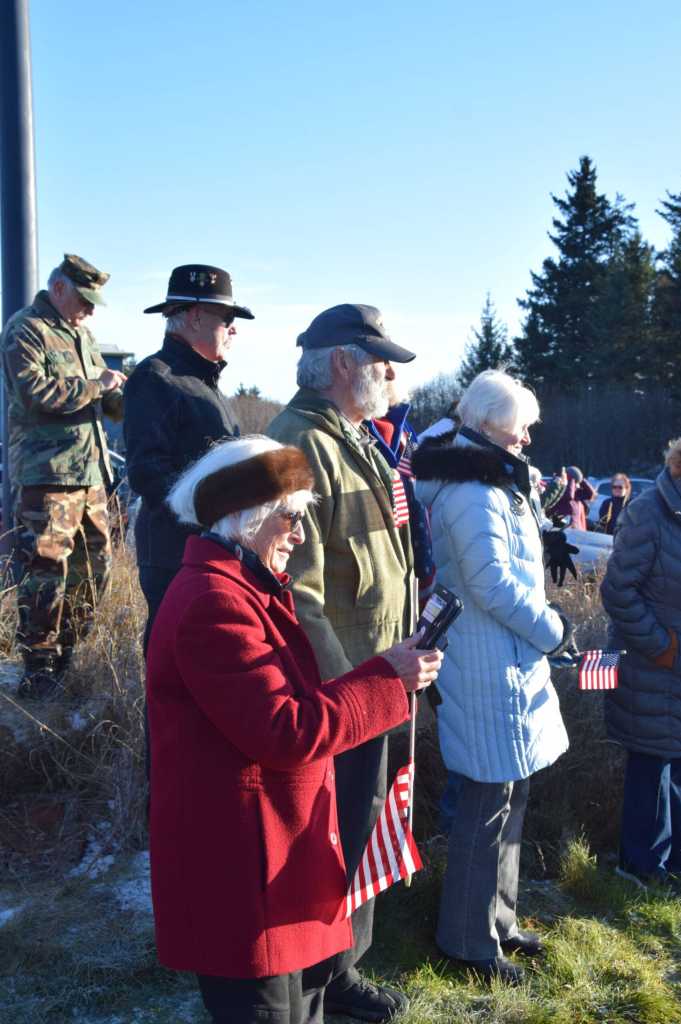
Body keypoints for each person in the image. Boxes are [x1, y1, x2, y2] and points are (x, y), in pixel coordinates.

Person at [146, 435, 443, 1024]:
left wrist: (384, 674)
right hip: (241, 874)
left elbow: (291, 702)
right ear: (244, 518)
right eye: (291, 517)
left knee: (301, 1006)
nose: (301, 535)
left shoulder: (241, 588)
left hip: (272, 859)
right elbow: (286, 730)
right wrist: (388, 680)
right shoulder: (214, 603)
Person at [267, 304, 417, 1022]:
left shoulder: (352, 438)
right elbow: (297, 593)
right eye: (380, 358)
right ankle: (323, 979)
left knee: (358, 836)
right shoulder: (297, 443)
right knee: (331, 843)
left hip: (376, 679)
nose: (391, 373)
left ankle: (341, 968)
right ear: (339, 364)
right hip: (343, 692)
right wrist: (341, 694)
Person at [412, 369, 573, 985]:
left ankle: (498, 920)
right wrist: (554, 629)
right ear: (485, 427)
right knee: (484, 805)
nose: (526, 440)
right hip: (486, 667)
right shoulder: (472, 492)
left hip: (506, 662)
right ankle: (467, 940)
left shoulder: (490, 479)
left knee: (509, 797)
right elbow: (493, 586)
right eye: (519, 430)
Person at [1, 254, 126, 699]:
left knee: (97, 566)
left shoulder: (83, 335)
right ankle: (39, 665)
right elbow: (35, 393)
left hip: (89, 470)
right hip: (48, 472)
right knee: (46, 569)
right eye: (85, 299)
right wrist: (98, 385)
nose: (90, 310)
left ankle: (69, 652)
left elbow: (99, 403)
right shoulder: (26, 329)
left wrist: (118, 395)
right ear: (58, 289)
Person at [123, 264, 254, 649]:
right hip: (175, 556)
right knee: (174, 670)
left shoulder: (204, 384)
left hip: (209, 552)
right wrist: (216, 506)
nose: (234, 329)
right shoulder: (155, 378)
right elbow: (147, 474)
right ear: (195, 316)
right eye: (227, 317)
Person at [600, 438, 681, 887]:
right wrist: (662, 646)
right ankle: (637, 869)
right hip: (653, 666)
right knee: (651, 769)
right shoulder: (649, 512)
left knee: (678, 771)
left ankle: (672, 866)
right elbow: (617, 592)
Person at [367, 380, 435, 607]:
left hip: (415, 563)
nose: (391, 373)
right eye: (382, 361)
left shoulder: (404, 430)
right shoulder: (360, 431)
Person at [548, 465, 596, 530]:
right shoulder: (559, 492)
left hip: (577, 531)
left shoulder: (577, 494)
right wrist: (571, 478)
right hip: (562, 531)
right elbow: (569, 496)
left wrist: (581, 479)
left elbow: (591, 494)